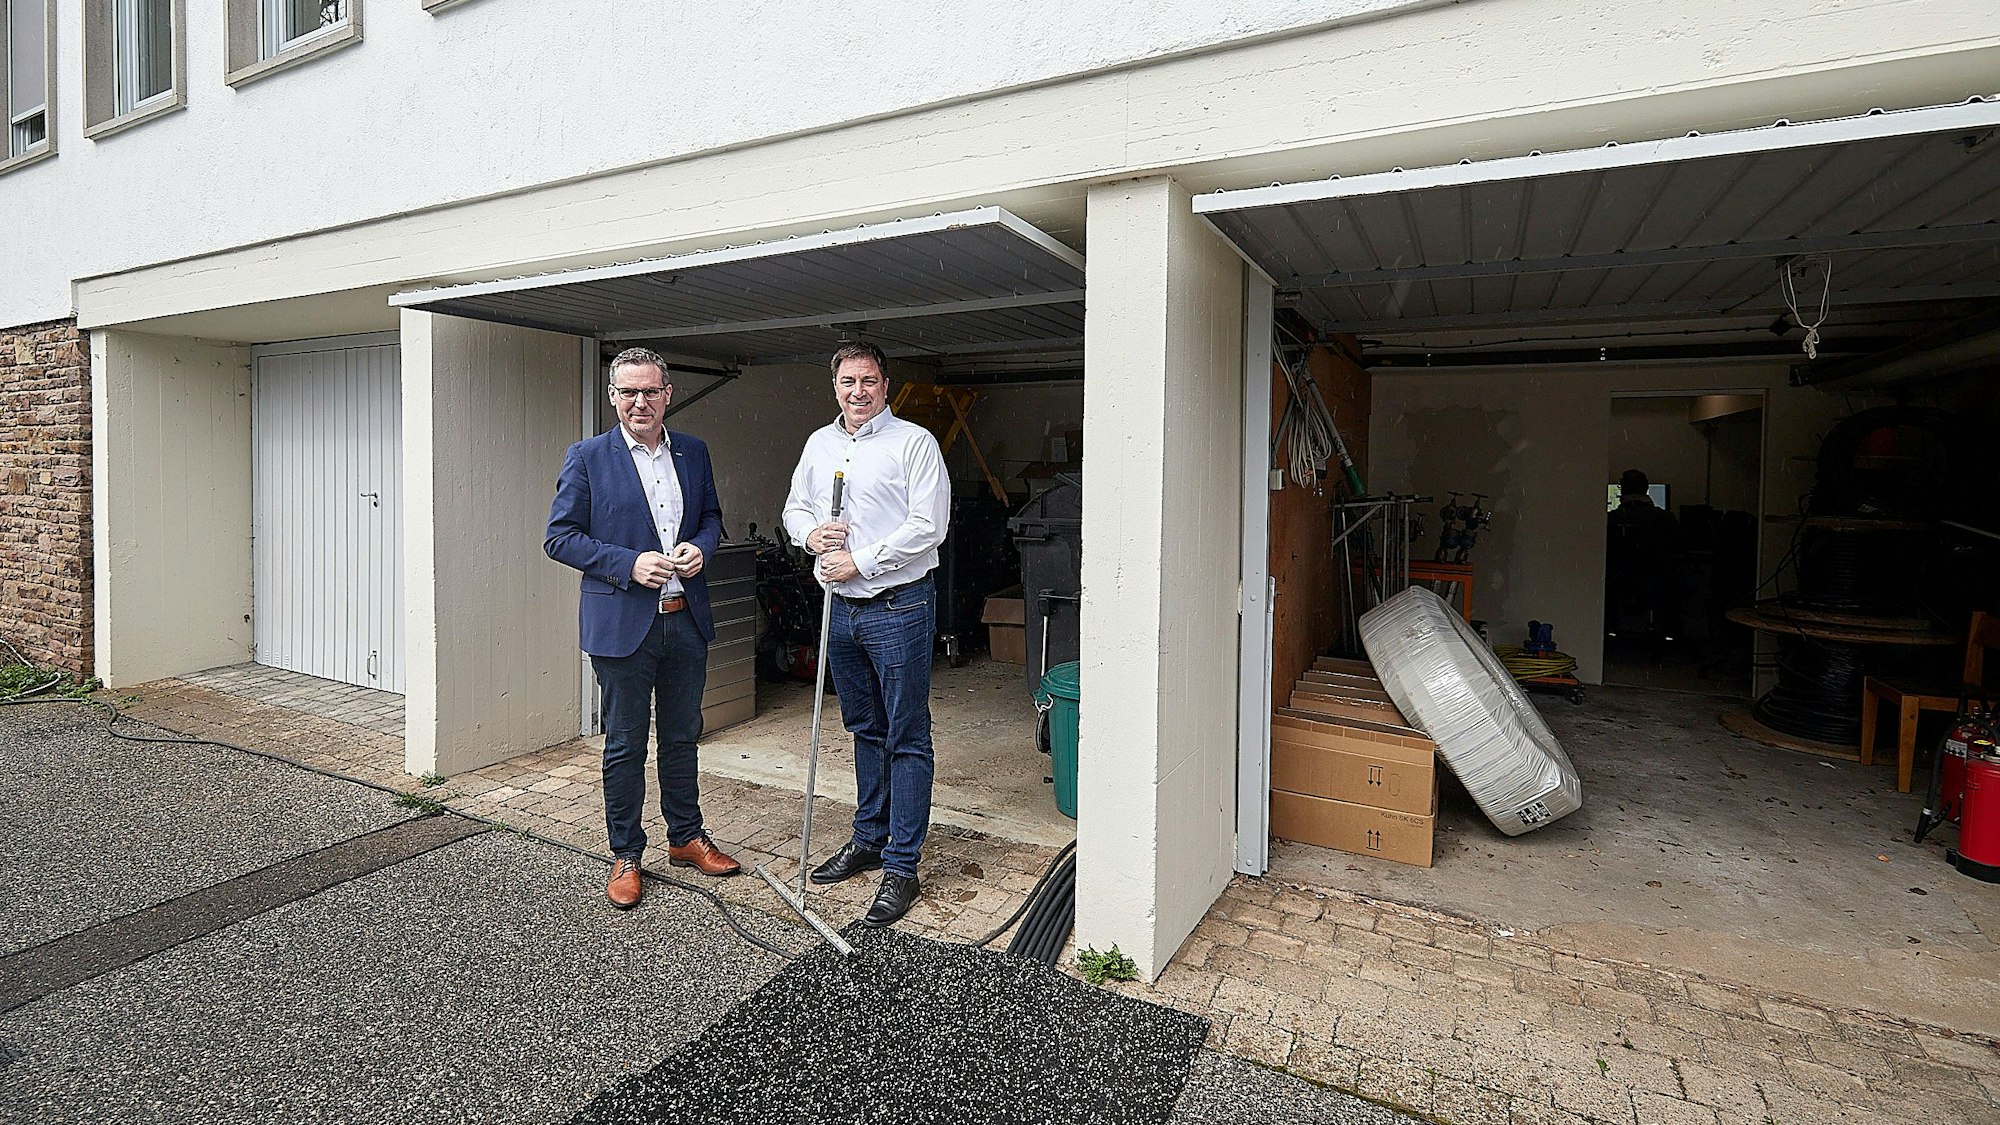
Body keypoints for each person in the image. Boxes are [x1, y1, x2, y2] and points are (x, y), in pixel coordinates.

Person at [545, 346, 741, 909]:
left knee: (682, 737)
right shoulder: (586, 457)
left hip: (685, 621)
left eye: (650, 391)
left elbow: (711, 519)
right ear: (613, 396)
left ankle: (685, 838)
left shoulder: (695, 453)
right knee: (626, 744)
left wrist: (702, 549)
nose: (639, 402)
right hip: (623, 627)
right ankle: (627, 854)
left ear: (667, 395)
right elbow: (559, 537)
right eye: (628, 392)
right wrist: (627, 564)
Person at [782, 342, 950, 928]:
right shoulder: (819, 444)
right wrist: (812, 536)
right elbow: (795, 507)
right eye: (849, 381)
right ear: (835, 387)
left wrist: (862, 559)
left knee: (906, 734)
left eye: (870, 380)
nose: (859, 391)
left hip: (898, 605)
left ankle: (903, 866)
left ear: (886, 384)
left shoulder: (914, 443)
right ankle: (869, 838)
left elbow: (929, 527)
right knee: (864, 730)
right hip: (843, 610)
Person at [1606, 468, 1683, 641]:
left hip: (1620, 582)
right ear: (1646, 489)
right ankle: (1670, 634)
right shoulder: (1664, 518)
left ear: (1622, 490)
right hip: (1658, 583)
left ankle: (1610, 631)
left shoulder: (1611, 519)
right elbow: (1679, 548)